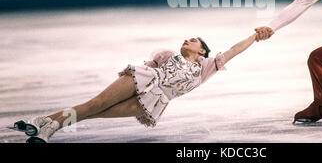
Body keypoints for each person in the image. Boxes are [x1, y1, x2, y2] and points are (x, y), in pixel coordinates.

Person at [15, 34, 257, 143]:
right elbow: (152, 65)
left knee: (97, 113)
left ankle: (42, 120)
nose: (186, 40)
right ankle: (48, 128)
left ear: (202, 51)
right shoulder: (168, 55)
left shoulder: (207, 68)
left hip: (155, 101)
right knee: (95, 104)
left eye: (193, 40)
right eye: (186, 39)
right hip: (144, 79)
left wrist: (256, 36)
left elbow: (235, 49)